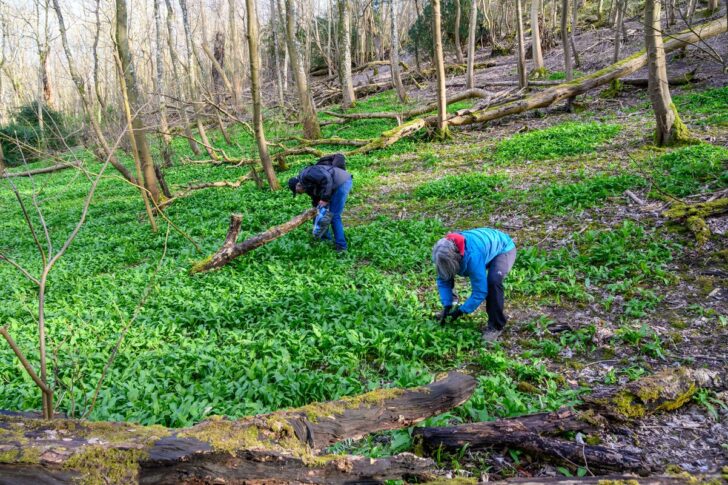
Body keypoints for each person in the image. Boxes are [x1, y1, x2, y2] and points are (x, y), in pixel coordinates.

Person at [432, 228, 517, 341]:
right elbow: (443, 278)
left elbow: (480, 291)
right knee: (447, 270)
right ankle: (451, 304)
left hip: (503, 249)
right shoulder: (441, 251)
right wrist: (447, 304)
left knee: (493, 282)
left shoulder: (472, 256)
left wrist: (462, 310)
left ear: (457, 257)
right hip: (483, 248)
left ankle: (496, 326)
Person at [288, 163, 353, 252]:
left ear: (297, 185)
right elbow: (316, 198)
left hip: (341, 182)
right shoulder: (306, 185)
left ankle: (341, 247)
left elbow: (327, 179)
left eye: (297, 192)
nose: (299, 193)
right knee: (319, 213)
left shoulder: (307, 174)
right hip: (333, 186)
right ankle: (325, 239)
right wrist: (316, 210)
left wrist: (325, 199)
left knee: (334, 216)